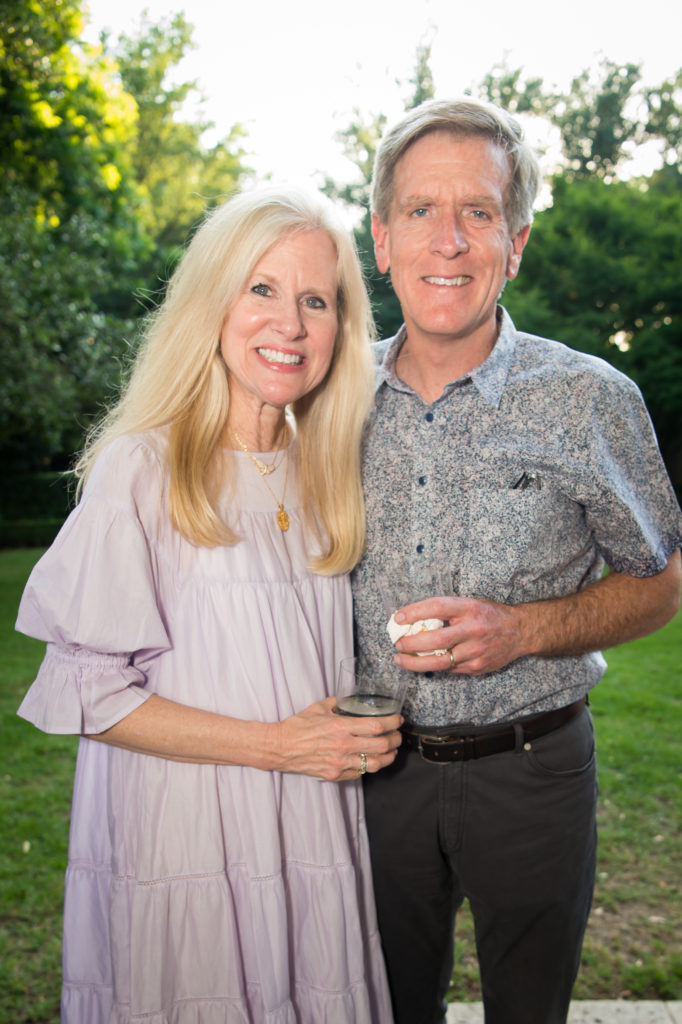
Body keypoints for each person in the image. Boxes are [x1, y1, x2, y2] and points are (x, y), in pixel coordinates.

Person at [16, 185, 402, 1024]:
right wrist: (278, 745)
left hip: (309, 825)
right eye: (259, 289)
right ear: (209, 303)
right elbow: (88, 694)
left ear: (343, 327)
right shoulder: (140, 468)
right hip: (188, 834)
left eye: (315, 300)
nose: (290, 324)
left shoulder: (324, 473)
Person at [351, 98, 682, 1024]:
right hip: (371, 778)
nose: (448, 241)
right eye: (420, 211)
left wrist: (524, 631)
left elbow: (661, 582)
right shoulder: (331, 402)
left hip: (533, 770)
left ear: (518, 240)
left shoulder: (590, 399)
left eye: (479, 213)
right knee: (381, 1006)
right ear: (382, 240)